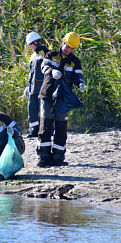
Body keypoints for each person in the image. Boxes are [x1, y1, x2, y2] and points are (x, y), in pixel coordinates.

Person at [36, 32, 86, 167]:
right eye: (67, 46)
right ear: (63, 42)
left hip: (63, 98)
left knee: (61, 127)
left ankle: (58, 158)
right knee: (45, 126)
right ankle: (43, 157)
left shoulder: (75, 61)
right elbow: (44, 67)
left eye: (71, 48)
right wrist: (52, 71)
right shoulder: (51, 54)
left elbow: (78, 76)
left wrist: (81, 83)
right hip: (47, 94)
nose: (68, 49)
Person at [24, 32, 49, 138]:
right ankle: (34, 130)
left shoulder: (45, 53)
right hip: (32, 88)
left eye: (30, 44)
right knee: (32, 109)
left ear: (36, 42)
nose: (30, 47)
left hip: (42, 87)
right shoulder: (33, 56)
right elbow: (31, 72)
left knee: (44, 109)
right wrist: (27, 86)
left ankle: (47, 130)